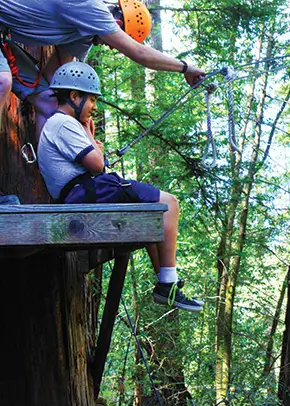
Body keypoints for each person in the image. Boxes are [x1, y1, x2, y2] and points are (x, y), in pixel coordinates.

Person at [37, 61, 203, 312]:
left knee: (150, 211)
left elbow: (95, 161)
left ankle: (166, 283)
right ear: (74, 96)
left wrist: (91, 142)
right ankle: (167, 282)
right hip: (85, 193)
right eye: (91, 100)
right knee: (168, 203)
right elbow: (97, 164)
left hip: (81, 193)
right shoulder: (64, 123)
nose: (93, 107)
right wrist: (90, 137)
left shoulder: (59, 123)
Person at [0, 0, 205, 136]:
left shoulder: (84, 34)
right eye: (118, 37)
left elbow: (53, 77)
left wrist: (78, 120)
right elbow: (139, 53)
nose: (110, 45)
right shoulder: (91, 7)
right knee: (3, 82)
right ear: (116, 22)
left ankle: (48, 172)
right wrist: (186, 68)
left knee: (49, 103)